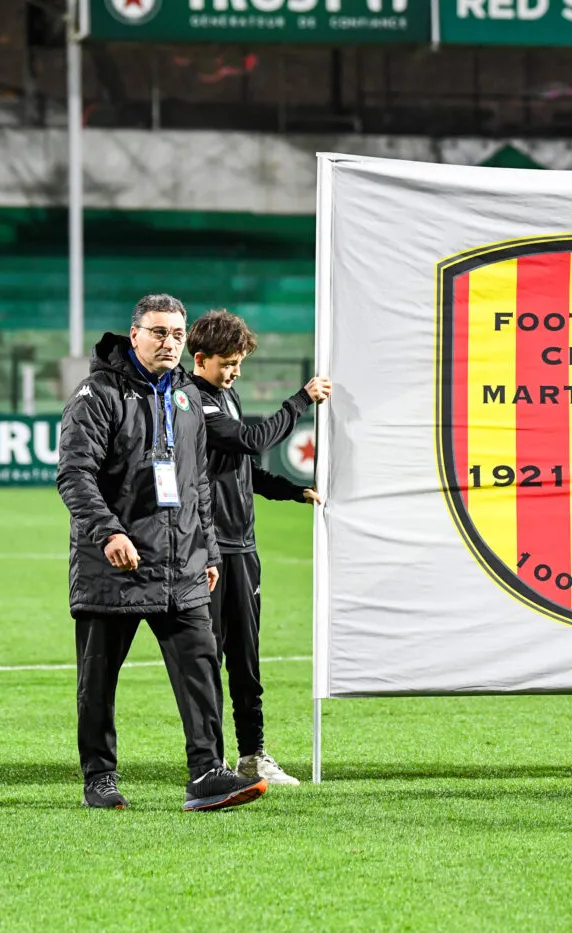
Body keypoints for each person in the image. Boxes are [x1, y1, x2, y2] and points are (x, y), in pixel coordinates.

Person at [57, 293, 269, 812]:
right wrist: (109, 533)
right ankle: (100, 778)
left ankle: (207, 773)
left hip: (183, 564)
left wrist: (210, 551)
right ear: (134, 335)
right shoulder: (97, 394)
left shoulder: (188, 395)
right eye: (158, 332)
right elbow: (75, 474)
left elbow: (197, 483)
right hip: (115, 565)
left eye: (176, 334)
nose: (169, 343)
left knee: (201, 669)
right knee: (99, 678)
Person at [187, 309, 332, 786]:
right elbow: (251, 441)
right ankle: (211, 764)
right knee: (209, 658)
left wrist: (291, 490)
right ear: (200, 359)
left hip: (244, 549)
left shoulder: (227, 395)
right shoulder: (192, 401)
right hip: (208, 550)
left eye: (239, 364)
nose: (234, 372)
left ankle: (252, 756)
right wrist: (300, 401)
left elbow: (242, 469)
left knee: (246, 659)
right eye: (227, 363)